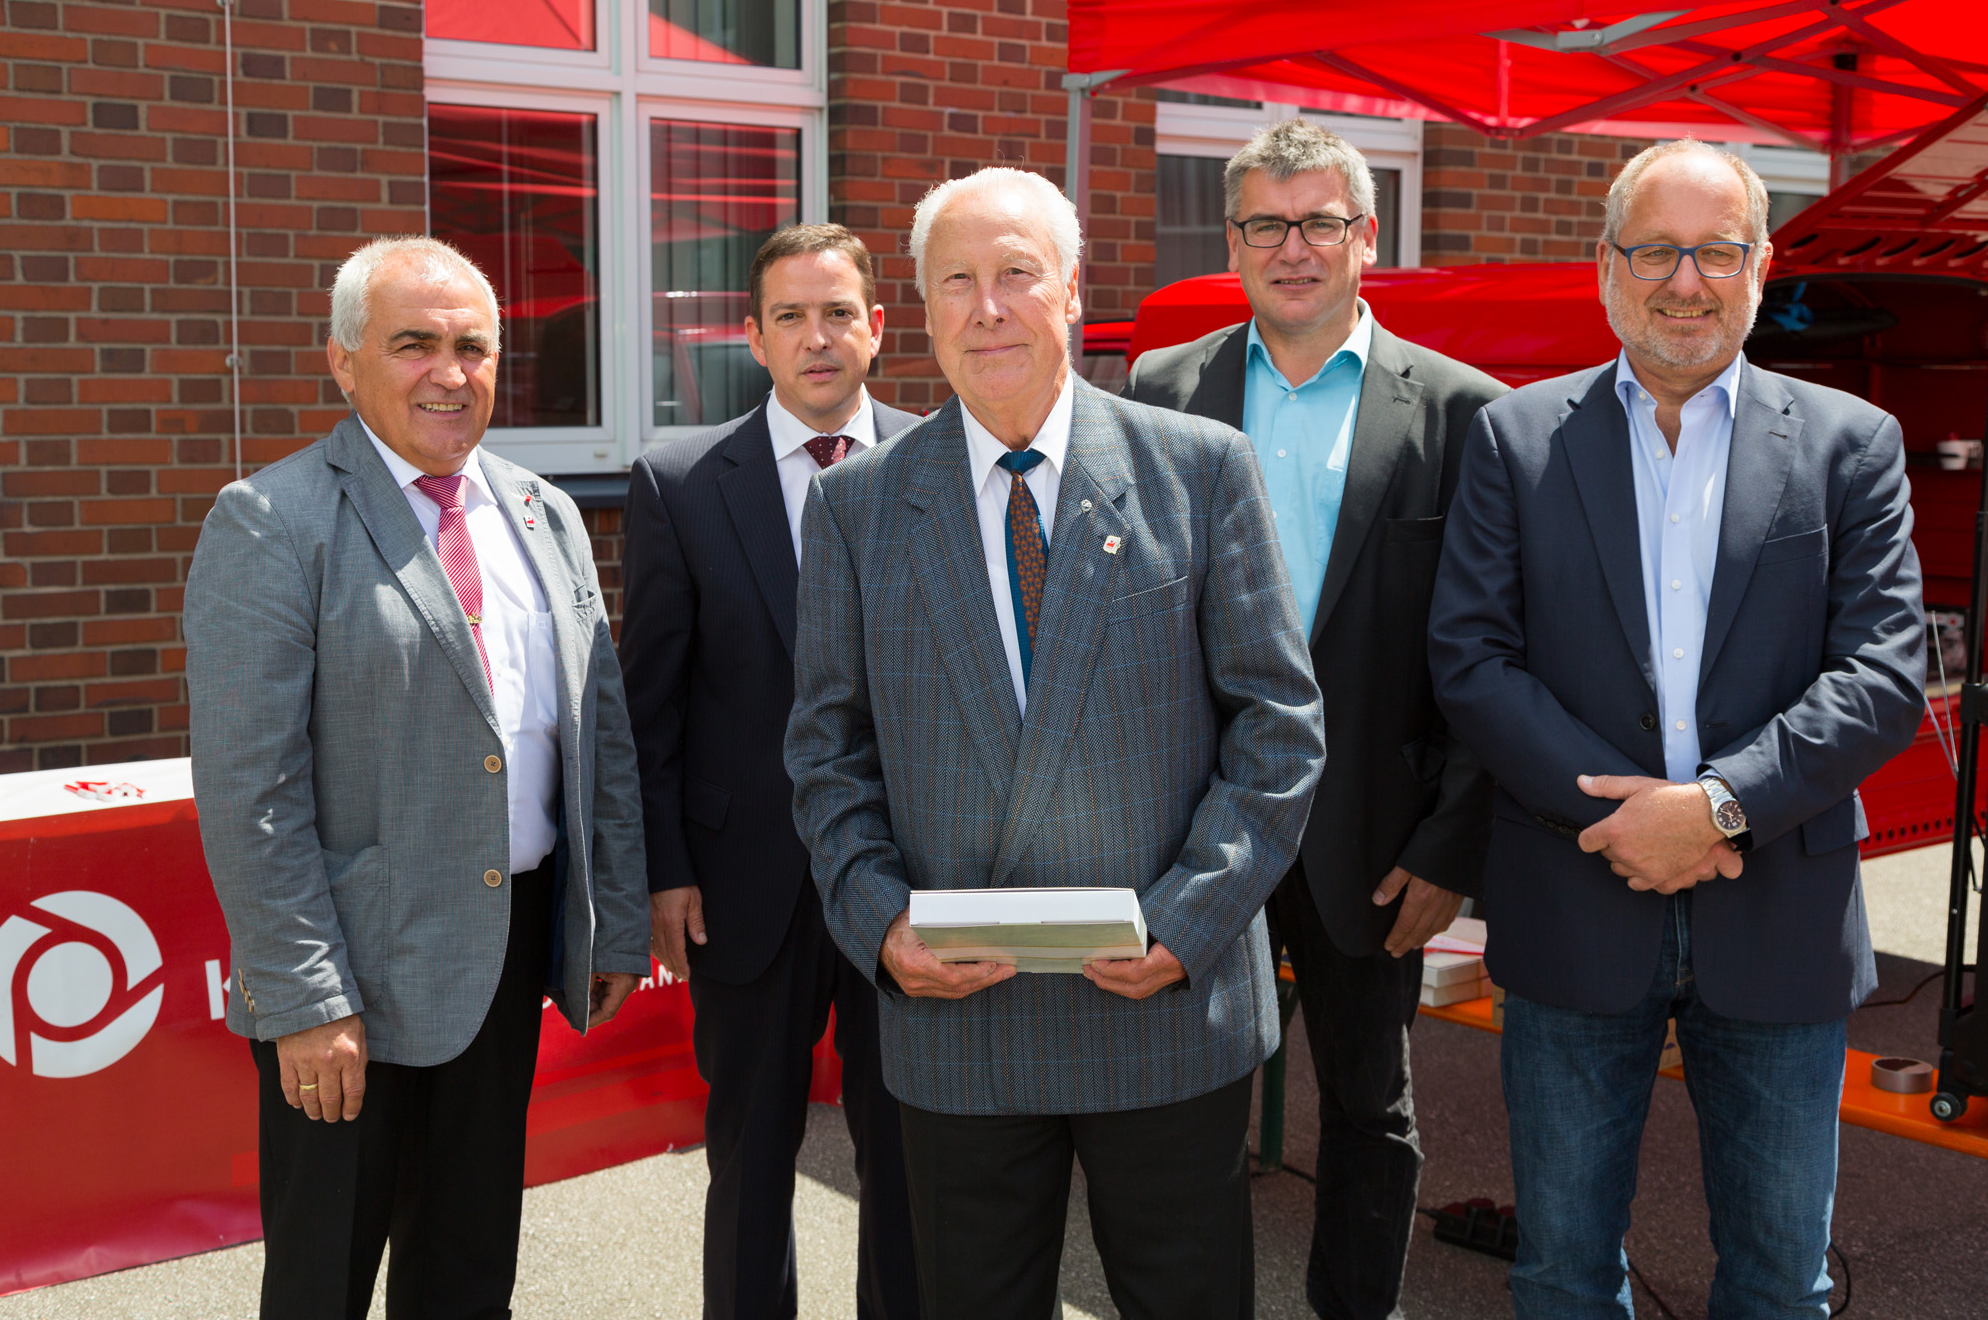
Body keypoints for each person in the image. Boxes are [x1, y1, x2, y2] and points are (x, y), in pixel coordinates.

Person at [783, 166, 1326, 1320]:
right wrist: (880, 924)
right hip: (960, 1021)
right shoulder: (858, 505)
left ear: (1072, 290)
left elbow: (1276, 729)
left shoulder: (1197, 468)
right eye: (956, 281)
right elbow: (828, 755)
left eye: (1016, 274)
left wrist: (1187, 923)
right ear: (920, 310)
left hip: (1163, 1009)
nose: (987, 308)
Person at [1428, 141, 1925, 1317]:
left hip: (1776, 909)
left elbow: (1883, 672)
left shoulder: (1850, 443)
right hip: (1573, 896)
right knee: (1560, 1272)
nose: (1684, 281)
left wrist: (1714, 807)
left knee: (1777, 1280)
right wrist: (1627, 822)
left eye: (1714, 251)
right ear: (1605, 268)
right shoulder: (1514, 437)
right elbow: (1470, 658)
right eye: (1654, 251)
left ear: (1760, 266)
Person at [185, 236, 650, 1320]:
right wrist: (306, 1000)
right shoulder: (273, 521)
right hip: (351, 974)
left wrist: (613, 917)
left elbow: (599, 732)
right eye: (413, 345)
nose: (450, 371)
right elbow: (252, 794)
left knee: (467, 1273)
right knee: (324, 1283)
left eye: (472, 346)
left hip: (507, 956)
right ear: (343, 362)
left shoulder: (544, 513)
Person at [1125, 118, 1504, 1320]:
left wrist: (1449, 847)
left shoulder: (1462, 413)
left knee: (1368, 1110)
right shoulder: (1157, 391)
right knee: (1181, 1112)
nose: (1292, 248)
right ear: (1231, 240)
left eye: (1319, 223)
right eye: (1266, 224)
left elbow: (1488, 654)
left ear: (1365, 236)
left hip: (1373, 836)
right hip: (1195, 824)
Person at [619, 222, 922, 1319]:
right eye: (790, 316)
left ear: (876, 328)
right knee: (750, 1155)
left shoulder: (945, 462)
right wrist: (663, 868)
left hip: (907, 872)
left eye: (838, 313)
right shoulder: (681, 482)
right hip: (743, 879)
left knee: (908, 1159)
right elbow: (648, 703)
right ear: (753, 338)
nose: (816, 337)